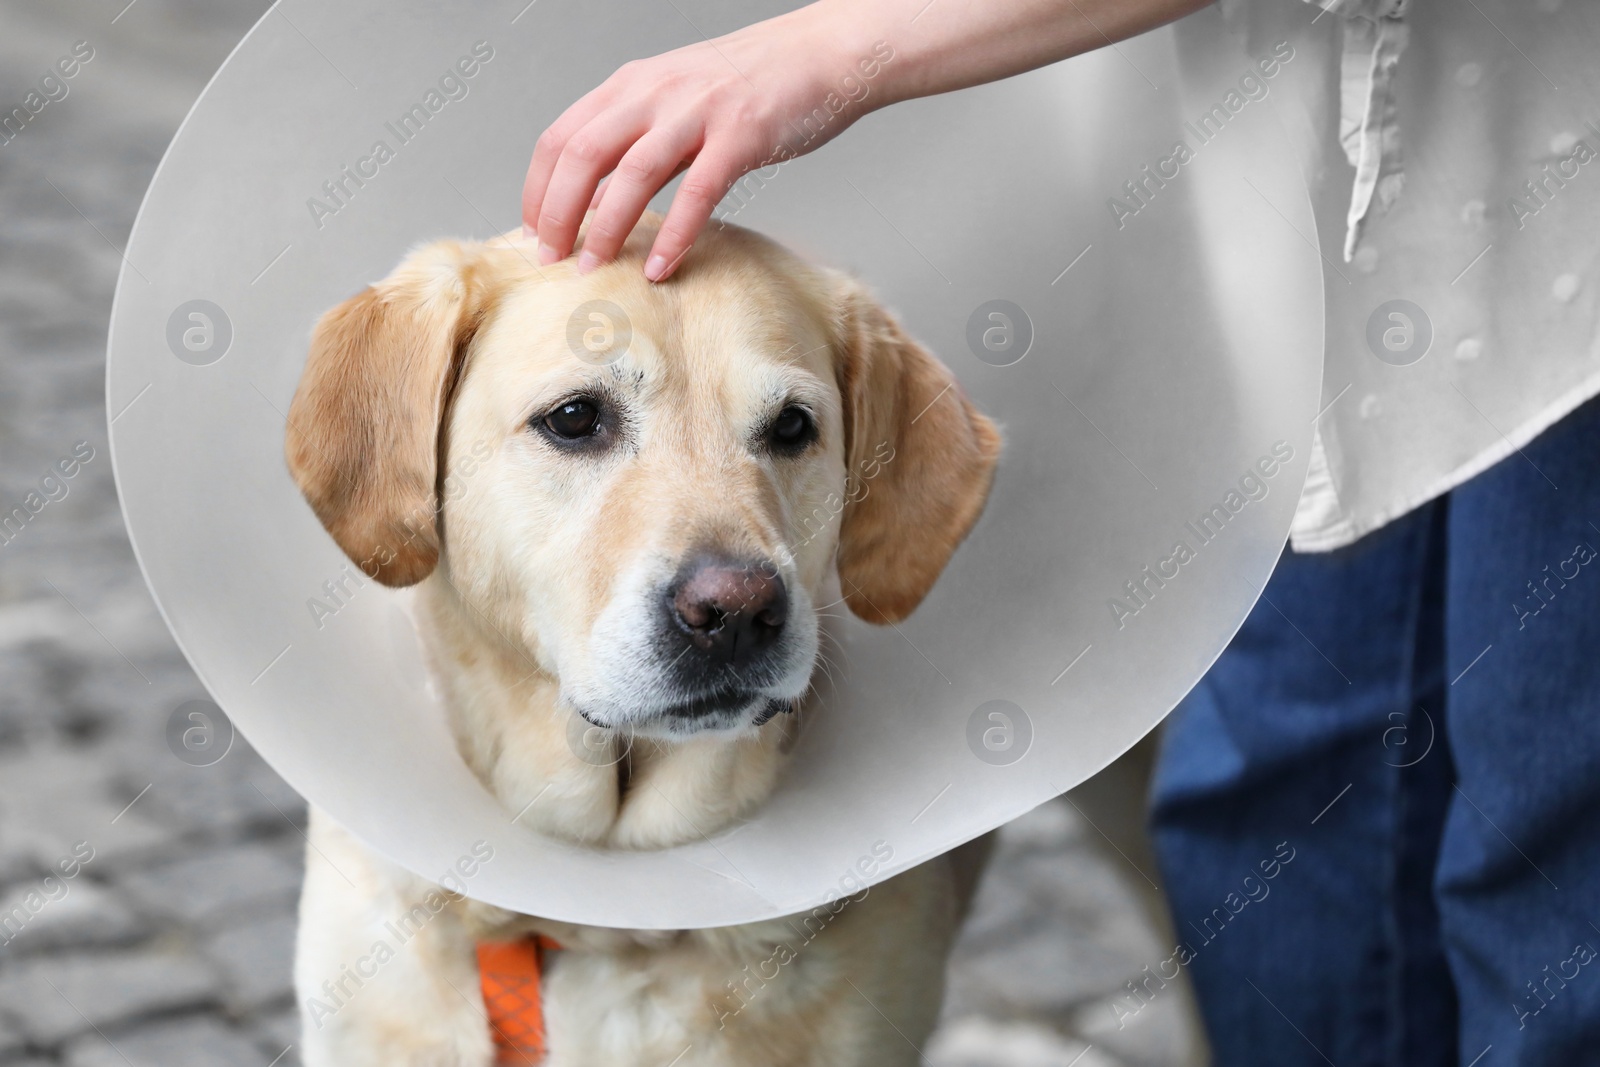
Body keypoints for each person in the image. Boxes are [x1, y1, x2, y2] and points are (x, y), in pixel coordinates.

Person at [522, 1, 1600, 1062]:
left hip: (1568, 189)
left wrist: (838, 46)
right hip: (1323, 178)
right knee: (1278, 805)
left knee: (1542, 853)